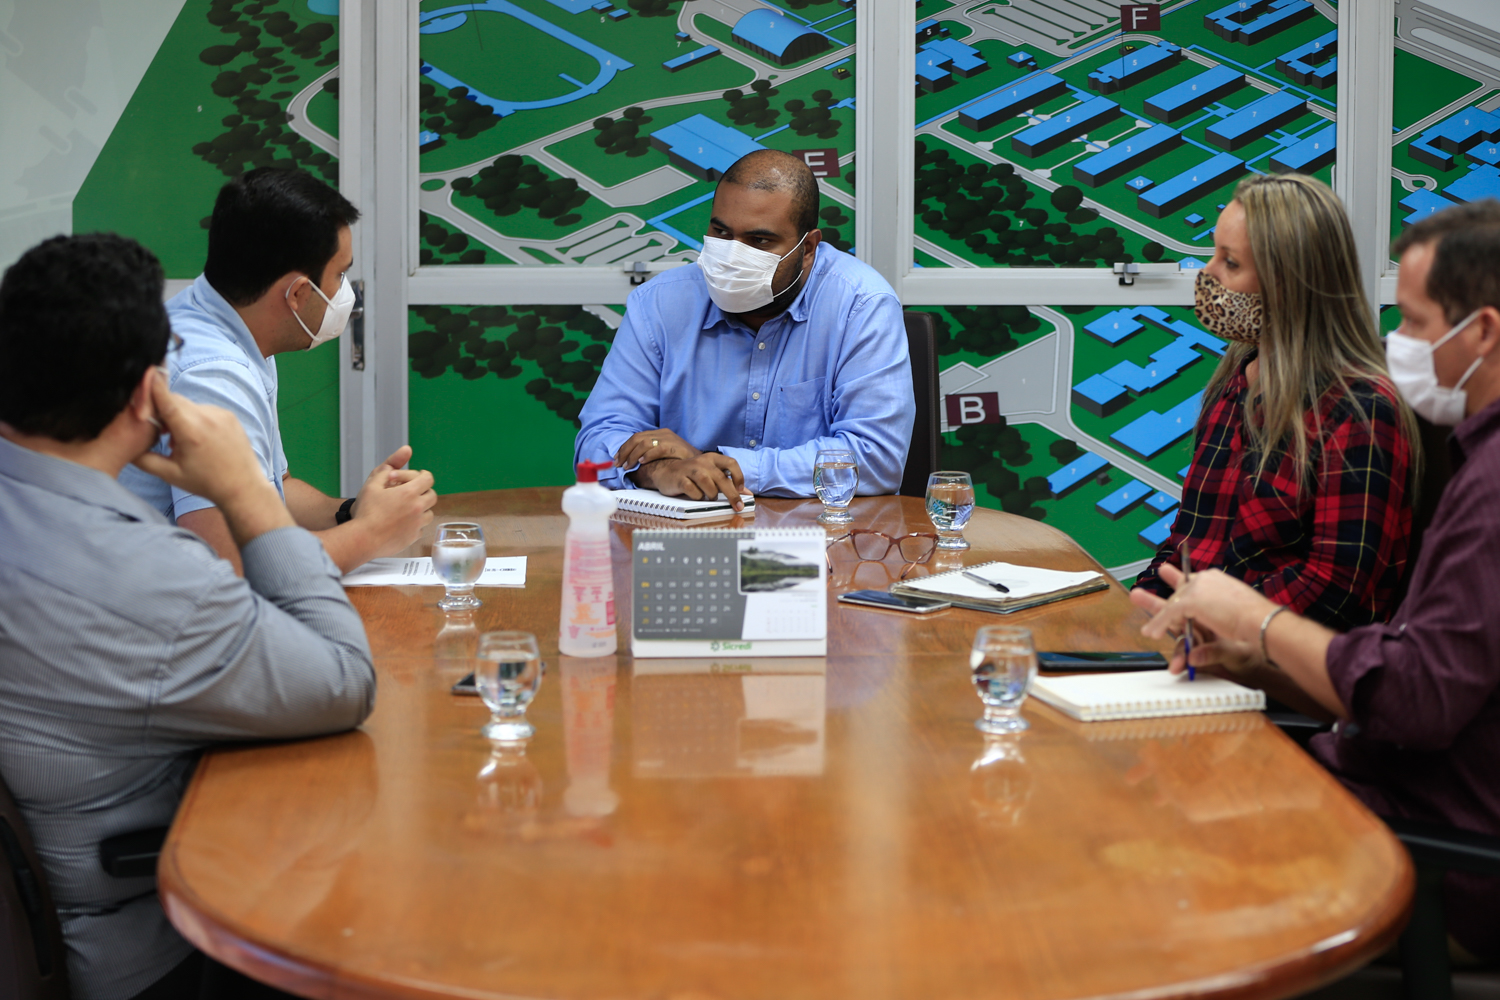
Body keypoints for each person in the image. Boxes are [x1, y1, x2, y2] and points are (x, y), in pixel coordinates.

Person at [0, 233, 383, 999]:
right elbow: (343, 680)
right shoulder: (141, 579)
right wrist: (243, 490)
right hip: (157, 947)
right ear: (151, 393)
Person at [1133, 199, 1500, 964]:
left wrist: (1251, 625)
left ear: (1484, 333)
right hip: (1365, 769)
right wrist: (1170, 609)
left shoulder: (1435, 455)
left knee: (1135, 867)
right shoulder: (1238, 380)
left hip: (1419, 841)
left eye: (1418, 323)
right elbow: (1192, 538)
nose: (1399, 344)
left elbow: (1393, 669)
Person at [1134, 174, 1418, 643]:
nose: (1207, 275)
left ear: (1288, 283)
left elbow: (1335, 590)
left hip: (1285, 673)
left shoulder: (1360, 411)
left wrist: (1210, 629)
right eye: (1213, 253)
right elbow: (1189, 544)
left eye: (1230, 262)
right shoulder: (1235, 381)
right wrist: (1139, 611)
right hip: (1200, 646)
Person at [120, 167, 436, 574]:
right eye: (339, 275)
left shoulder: (229, 323)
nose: (347, 294)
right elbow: (231, 566)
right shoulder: (211, 374)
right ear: (298, 293)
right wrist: (372, 534)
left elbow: (273, 493)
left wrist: (354, 511)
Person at [573, 149, 915, 505]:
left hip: (817, 542)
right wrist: (659, 471)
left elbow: (876, 459)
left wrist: (719, 464)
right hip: (687, 539)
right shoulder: (658, 303)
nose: (732, 257)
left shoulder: (860, 304)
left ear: (808, 247)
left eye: (759, 241)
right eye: (720, 232)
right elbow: (596, 444)